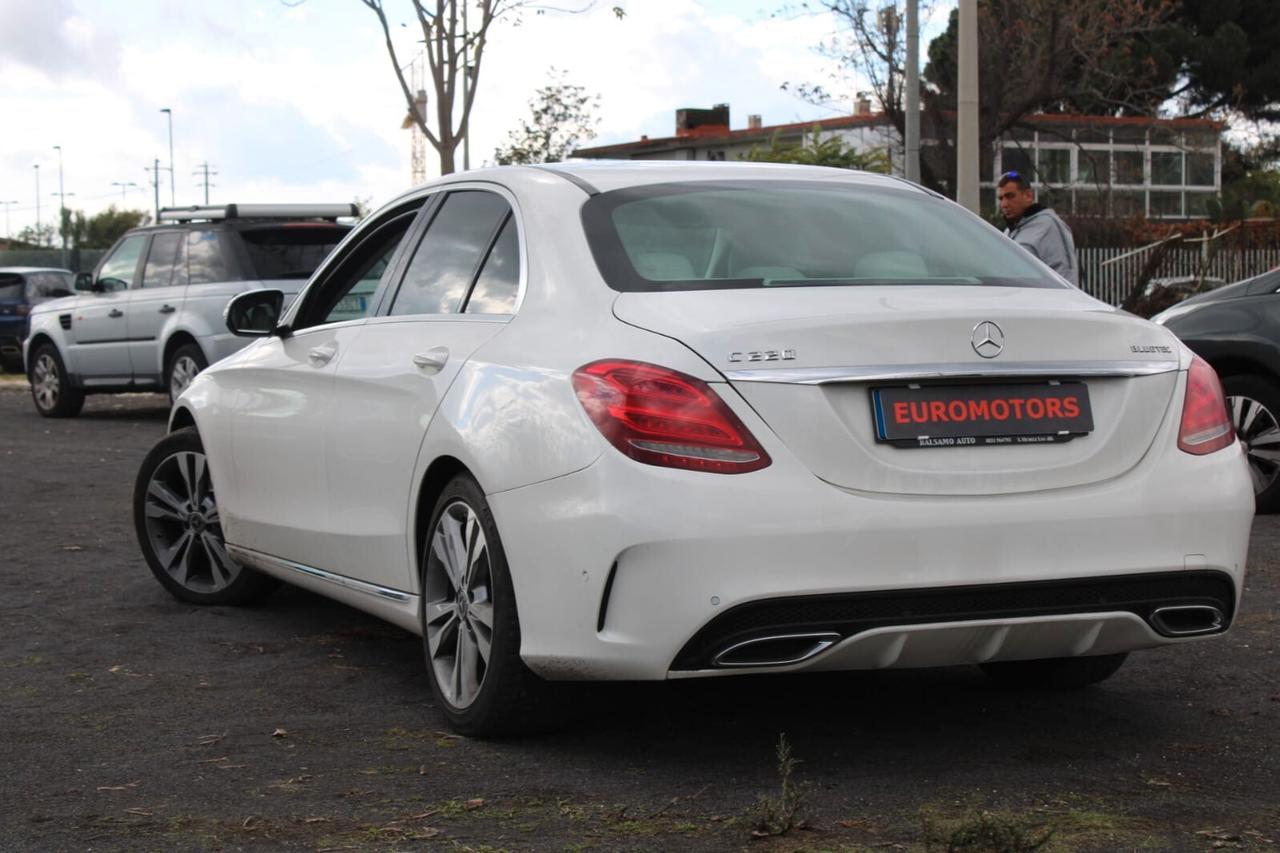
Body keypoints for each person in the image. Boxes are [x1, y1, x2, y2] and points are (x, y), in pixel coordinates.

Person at [997, 170, 1079, 285]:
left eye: (1010, 196)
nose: (1004, 204)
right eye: (1001, 199)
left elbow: (1065, 274)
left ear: (1028, 196)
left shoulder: (1049, 226)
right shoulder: (1009, 231)